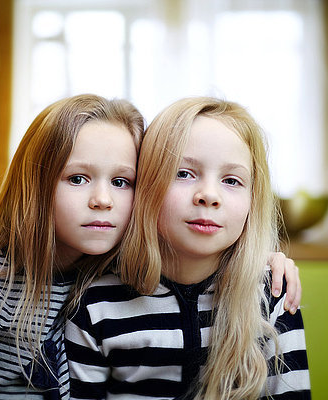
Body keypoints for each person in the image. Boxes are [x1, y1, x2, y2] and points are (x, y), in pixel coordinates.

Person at [0, 94, 302, 400]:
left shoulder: (103, 274)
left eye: (121, 181)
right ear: (36, 185)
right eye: (77, 178)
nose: (102, 200)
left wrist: (263, 262)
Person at [65, 97, 311, 399]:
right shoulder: (95, 305)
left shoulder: (271, 295)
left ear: (252, 199)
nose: (208, 195)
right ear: (147, 183)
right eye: (184, 173)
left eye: (232, 180)